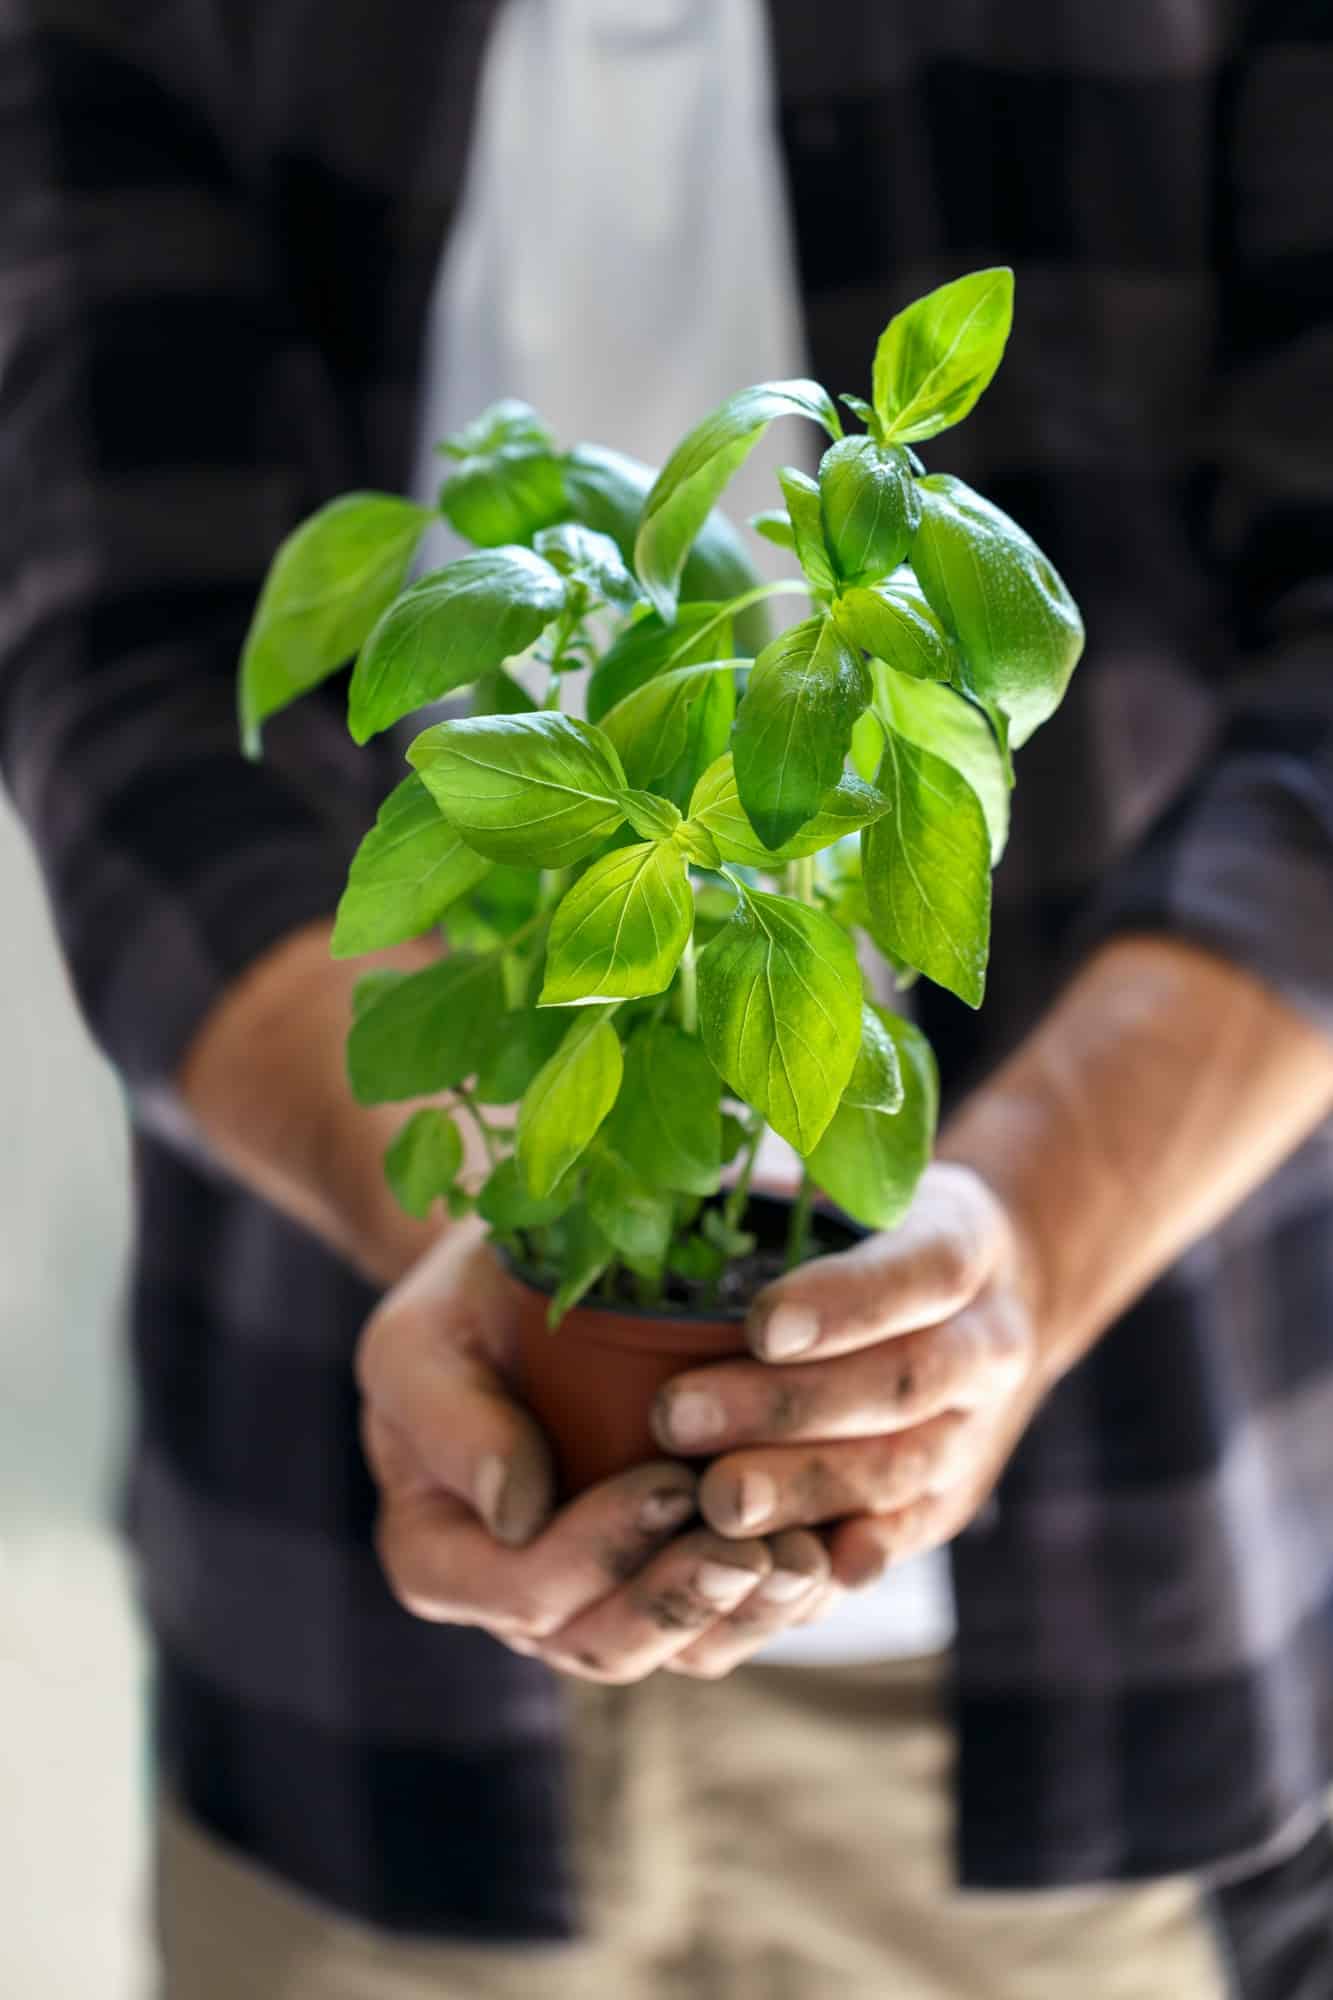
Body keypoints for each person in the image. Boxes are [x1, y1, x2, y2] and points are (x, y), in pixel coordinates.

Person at [3, 2, 1332, 1995]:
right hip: (356, 1673)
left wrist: (1025, 1235)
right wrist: (460, 1215)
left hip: (1102, 1648)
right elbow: (132, 662)